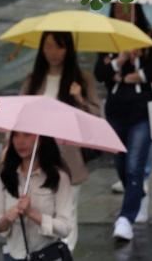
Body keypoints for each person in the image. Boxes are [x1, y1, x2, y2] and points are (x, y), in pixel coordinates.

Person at [18, 31, 101, 252]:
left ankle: (64, 253)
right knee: (39, 207)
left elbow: (95, 117)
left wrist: (80, 98)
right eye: (48, 46)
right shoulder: (33, 80)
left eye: (59, 46)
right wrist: (10, 146)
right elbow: (19, 115)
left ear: (68, 49)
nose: (53, 52)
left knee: (67, 210)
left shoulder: (82, 80)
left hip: (69, 156)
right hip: (37, 157)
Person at [94, 3, 152, 240]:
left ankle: (125, 218)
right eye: (118, 9)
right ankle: (138, 198)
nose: (123, 13)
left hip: (141, 113)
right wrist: (121, 59)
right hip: (115, 112)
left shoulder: (150, 37)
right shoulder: (108, 39)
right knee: (121, 166)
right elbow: (100, 73)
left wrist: (121, 76)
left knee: (135, 166)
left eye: (128, 9)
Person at [0, 132, 72, 261]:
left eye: (27, 135)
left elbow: (65, 228)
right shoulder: (5, 175)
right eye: (15, 135)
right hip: (13, 256)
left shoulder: (59, 178)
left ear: (41, 139)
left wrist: (32, 213)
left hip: (46, 256)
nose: (20, 141)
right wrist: (7, 218)